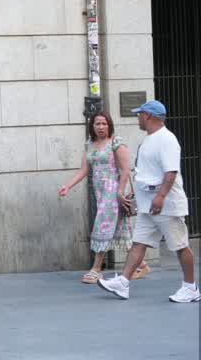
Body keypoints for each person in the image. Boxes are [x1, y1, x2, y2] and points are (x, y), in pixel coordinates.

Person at [99, 100, 198, 303]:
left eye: (140, 114)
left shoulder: (167, 140)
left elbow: (170, 172)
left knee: (180, 246)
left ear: (149, 116)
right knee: (138, 243)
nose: (138, 117)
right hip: (149, 205)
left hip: (166, 205)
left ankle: (191, 287)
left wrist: (160, 197)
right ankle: (123, 283)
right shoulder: (149, 140)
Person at [58, 110, 143, 283]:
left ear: (110, 125)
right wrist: (68, 185)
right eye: (98, 123)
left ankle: (97, 268)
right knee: (119, 228)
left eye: (104, 123)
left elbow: (126, 169)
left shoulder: (116, 142)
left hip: (114, 192)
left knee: (102, 226)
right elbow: (84, 169)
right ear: (92, 126)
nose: (101, 127)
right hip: (100, 192)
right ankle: (141, 265)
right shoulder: (90, 143)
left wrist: (120, 192)